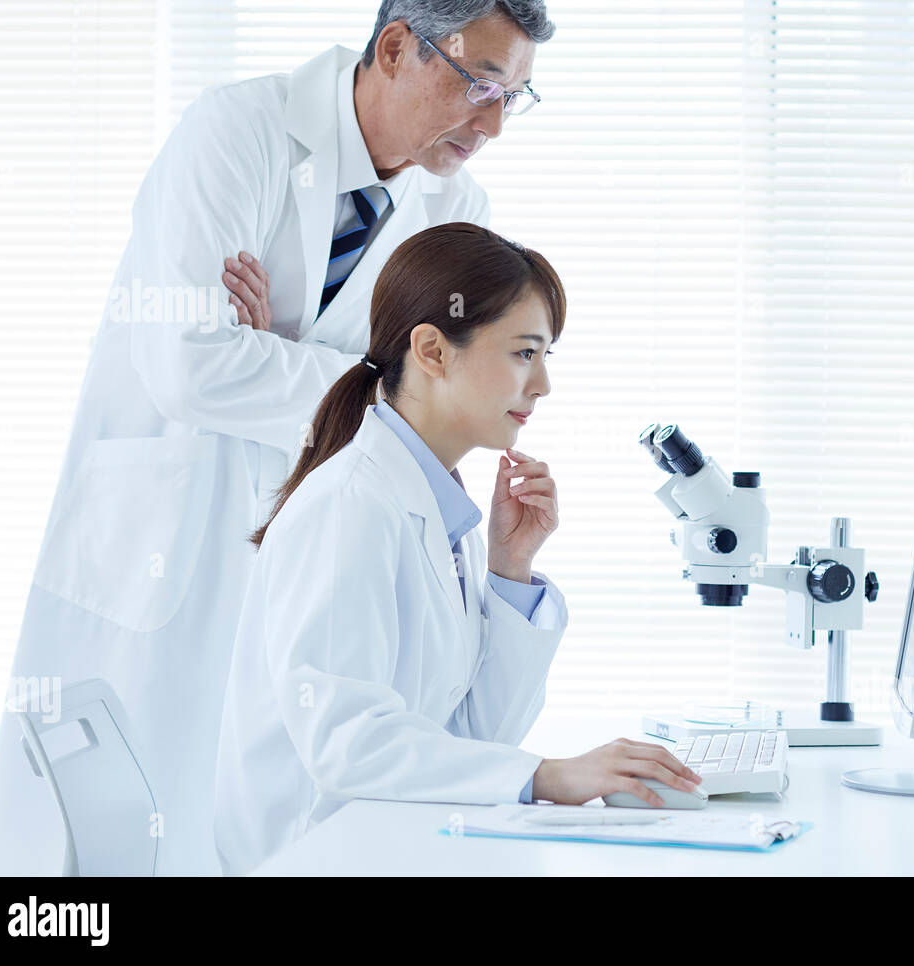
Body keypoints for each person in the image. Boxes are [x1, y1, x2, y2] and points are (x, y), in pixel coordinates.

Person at [0, 1, 555, 876]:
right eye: (482, 86)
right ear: (396, 49)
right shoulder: (238, 133)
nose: (496, 123)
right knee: (95, 837)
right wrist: (362, 374)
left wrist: (274, 345)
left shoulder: (452, 207)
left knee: (245, 812)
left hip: (297, 526)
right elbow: (189, 365)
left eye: (517, 99)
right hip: (162, 526)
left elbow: (418, 399)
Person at [213, 222, 701, 875]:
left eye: (546, 357)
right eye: (525, 352)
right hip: (316, 853)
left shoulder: (443, 510)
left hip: (395, 842)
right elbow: (347, 745)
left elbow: (472, 740)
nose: (542, 387)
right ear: (433, 351)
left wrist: (510, 572)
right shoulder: (349, 507)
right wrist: (549, 776)